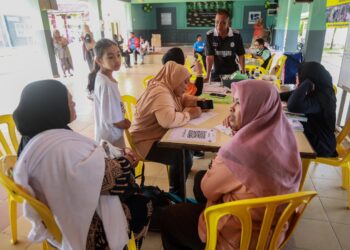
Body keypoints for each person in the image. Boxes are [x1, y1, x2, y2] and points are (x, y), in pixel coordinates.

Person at [160, 80, 302, 250]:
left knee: (169, 215)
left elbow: (208, 189)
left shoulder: (238, 153)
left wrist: (232, 144)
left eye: (239, 102)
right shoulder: (285, 138)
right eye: (233, 101)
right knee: (199, 179)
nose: (231, 107)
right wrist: (241, 131)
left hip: (239, 237)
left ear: (256, 108)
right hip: (272, 230)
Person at [12, 79, 152, 250]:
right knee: (143, 204)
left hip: (58, 214)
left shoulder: (34, 138)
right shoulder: (60, 148)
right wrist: (128, 160)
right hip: (82, 225)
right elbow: (112, 180)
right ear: (55, 107)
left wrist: (107, 152)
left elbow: (79, 166)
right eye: (69, 101)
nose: (74, 103)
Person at [129, 61, 202, 194]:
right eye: (185, 82)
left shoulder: (168, 86)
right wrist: (189, 115)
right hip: (145, 142)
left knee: (186, 149)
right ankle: (176, 193)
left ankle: (179, 183)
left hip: (153, 136)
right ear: (174, 79)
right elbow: (168, 121)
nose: (187, 86)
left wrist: (196, 101)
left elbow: (181, 98)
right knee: (181, 154)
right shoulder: (160, 92)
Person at [161, 47, 205, 159]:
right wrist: (199, 73)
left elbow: (186, 97)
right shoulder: (176, 78)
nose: (186, 58)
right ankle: (192, 149)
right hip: (168, 130)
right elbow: (195, 92)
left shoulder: (167, 74)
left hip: (174, 120)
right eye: (183, 56)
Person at [287, 61, 337, 157]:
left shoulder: (321, 99)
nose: (297, 78)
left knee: (286, 139)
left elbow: (293, 105)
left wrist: (305, 83)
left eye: (299, 76)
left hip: (322, 144)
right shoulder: (321, 90)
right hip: (316, 134)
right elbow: (291, 96)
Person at [87, 38, 131, 148]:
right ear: (99, 60)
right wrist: (124, 124)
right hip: (111, 137)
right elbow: (111, 118)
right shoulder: (107, 84)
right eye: (110, 57)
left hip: (107, 133)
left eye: (118, 55)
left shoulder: (101, 77)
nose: (117, 60)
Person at [205, 9, 245, 82]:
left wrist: (243, 72)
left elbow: (241, 55)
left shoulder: (236, 35)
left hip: (233, 73)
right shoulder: (210, 35)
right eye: (216, 22)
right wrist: (207, 76)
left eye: (223, 23)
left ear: (229, 23)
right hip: (217, 72)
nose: (219, 26)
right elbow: (210, 57)